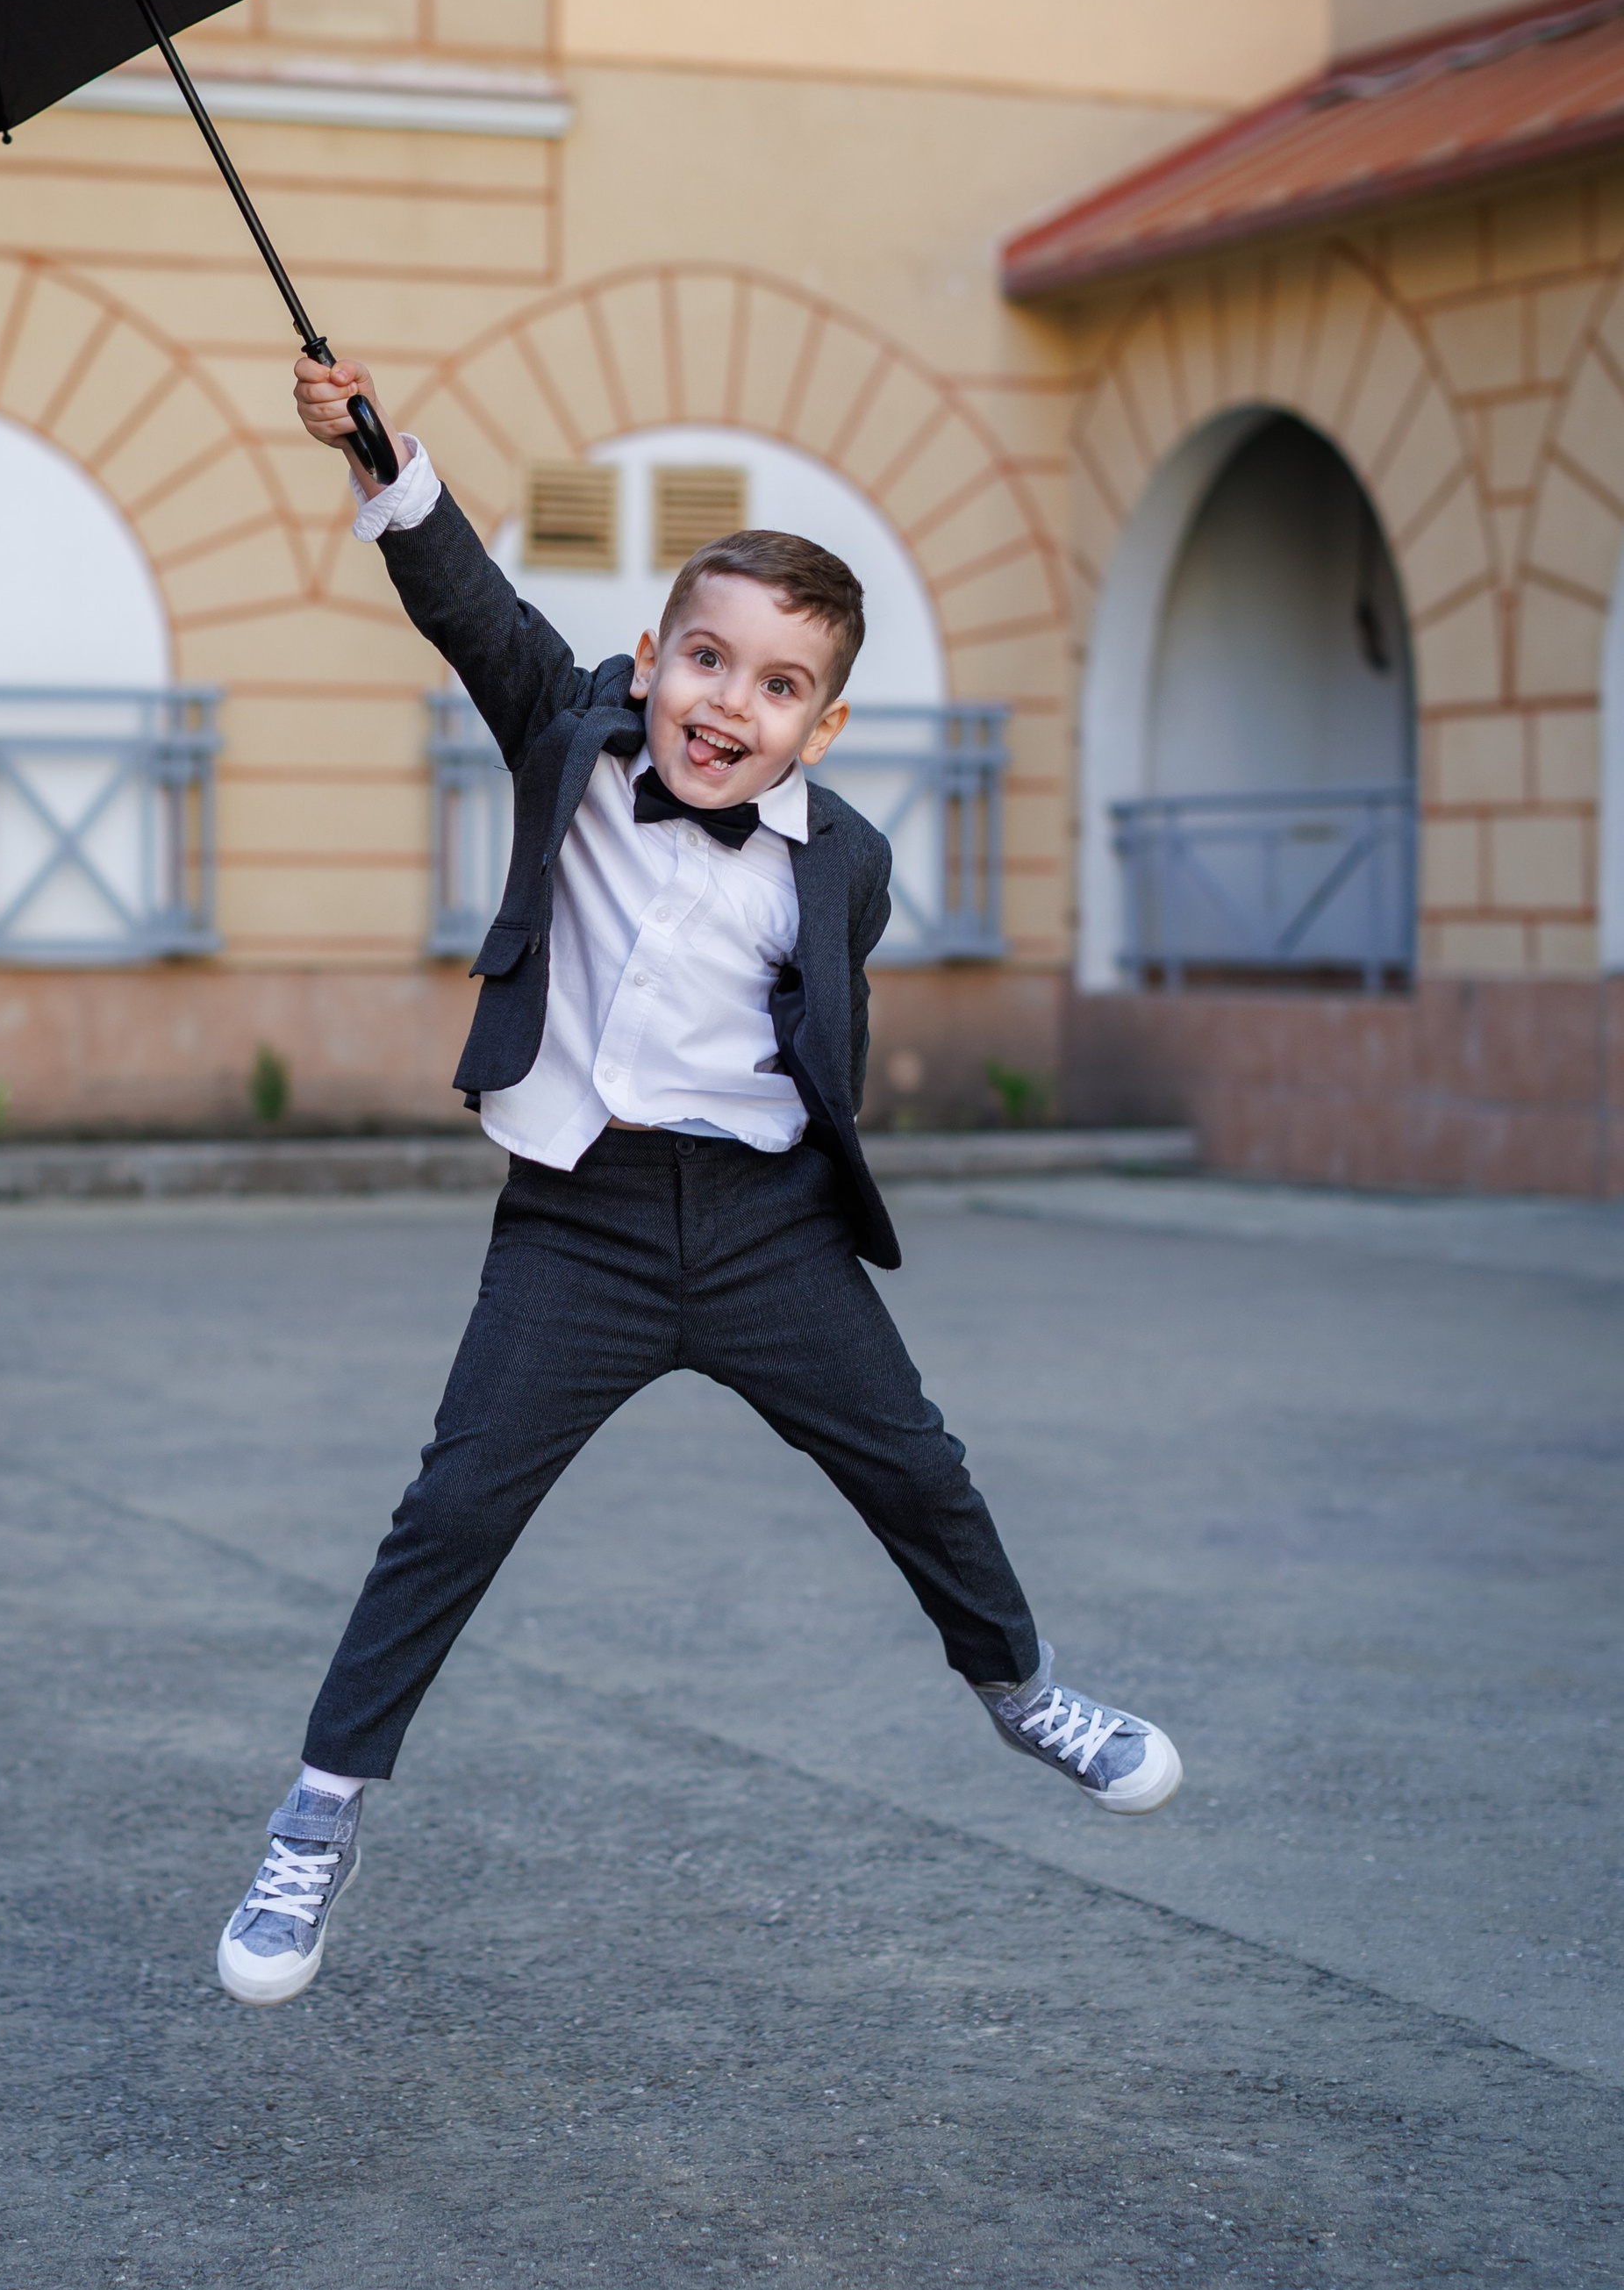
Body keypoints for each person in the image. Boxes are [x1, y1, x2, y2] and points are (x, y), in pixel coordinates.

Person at [218, 355, 1181, 2007]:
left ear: (826, 723)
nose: (731, 704)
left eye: (781, 684)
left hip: (766, 1232)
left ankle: (1022, 1691)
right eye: (709, 661)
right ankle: (320, 1813)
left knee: (920, 1471)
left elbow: (827, 1024)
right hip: (577, 1224)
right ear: (651, 660)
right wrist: (381, 449)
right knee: (450, 1512)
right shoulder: (568, 738)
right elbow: (469, 601)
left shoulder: (849, 862)